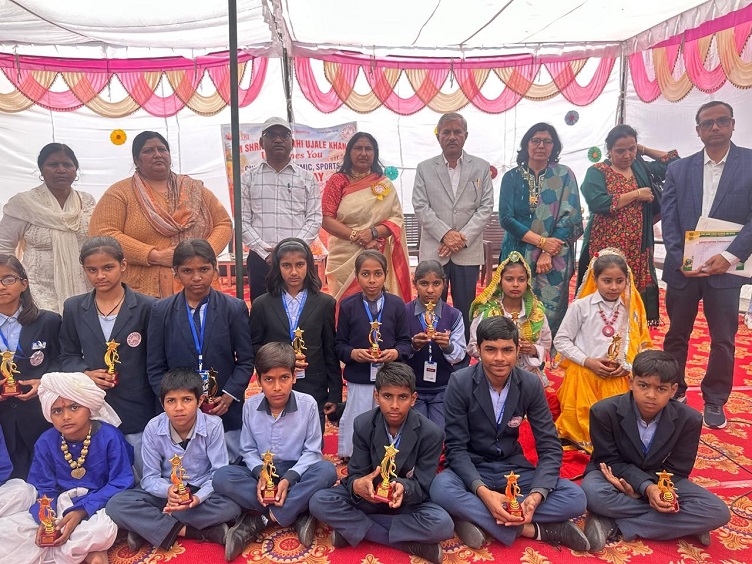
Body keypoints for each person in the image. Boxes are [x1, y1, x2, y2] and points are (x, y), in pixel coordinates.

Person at [430, 316, 589, 551]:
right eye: (490, 350)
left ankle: (474, 517)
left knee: (575, 498)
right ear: (478, 350)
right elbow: (456, 447)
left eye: (507, 350)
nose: (499, 358)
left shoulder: (530, 384)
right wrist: (483, 492)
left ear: (517, 350)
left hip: (513, 469)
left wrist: (536, 495)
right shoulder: (460, 382)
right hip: (474, 467)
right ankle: (534, 530)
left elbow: (549, 445)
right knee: (441, 489)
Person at [581, 350, 730, 551]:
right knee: (592, 493)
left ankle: (614, 523)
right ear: (631, 382)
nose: (651, 395)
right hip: (613, 475)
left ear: (673, 390)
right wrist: (646, 489)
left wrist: (649, 489)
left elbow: (678, 470)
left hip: (662, 479)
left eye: (661, 389)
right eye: (643, 386)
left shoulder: (689, 419)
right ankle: (682, 522)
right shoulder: (603, 411)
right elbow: (609, 460)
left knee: (717, 511)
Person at [661, 100, 752, 428]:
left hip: (726, 270)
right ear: (698, 130)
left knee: (723, 339)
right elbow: (669, 218)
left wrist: (729, 256)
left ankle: (715, 399)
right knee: (676, 334)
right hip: (683, 271)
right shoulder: (679, 169)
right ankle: (673, 389)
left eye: (722, 121)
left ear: (732, 125)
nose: (715, 127)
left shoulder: (750, 164)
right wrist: (678, 259)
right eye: (708, 123)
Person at [309, 362, 453, 564]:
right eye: (387, 396)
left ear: (413, 399)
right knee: (319, 501)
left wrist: (403, 488)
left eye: (402, 397)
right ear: (377, 396)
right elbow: (355, 473)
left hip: (404, 502)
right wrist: (358, 485)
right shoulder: (363, 424)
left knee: (443, 524)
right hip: (369, 499)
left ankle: (354, 530)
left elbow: (423, 486)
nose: (394, 405)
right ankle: (408, 544)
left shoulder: (431, 433)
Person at [106, 368, 247, 561]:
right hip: (167, 493)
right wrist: (168, 491)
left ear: (200, 401)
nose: (179, 407)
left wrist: (197, 498)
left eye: (186, 399)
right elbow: (149, 477)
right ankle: (197, 532)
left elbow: (218, 473)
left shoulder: (213, 425)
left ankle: (148, 526)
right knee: (116, 505)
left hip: (200, 491)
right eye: (171, 401)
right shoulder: (153, 428)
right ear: (162, 403)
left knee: (231, 507)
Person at [212, 343, 338, 549]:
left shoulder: (308, 405)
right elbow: (248, 449)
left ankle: (262, 520)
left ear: (294, 377)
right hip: (263, 474)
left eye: (284, 378)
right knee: (221, 477)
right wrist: (260, 474)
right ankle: (297, 510)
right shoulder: (250, 406)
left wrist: (288, 479)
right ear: (258, 380)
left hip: (297, 473)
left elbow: (313, 452)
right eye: (269, 379)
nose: (277, 387)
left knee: (327, 471)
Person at [0, 372, 134, 564]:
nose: (66, 416)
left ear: (89, 407)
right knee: (7, 531)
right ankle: (86, 553)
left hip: (98, 505)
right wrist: (46, 518)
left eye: (74, 407)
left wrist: (81, 511)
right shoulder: (46, 442)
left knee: (99, 530)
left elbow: (121, 482)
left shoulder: (110, 437)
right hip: (60, 504)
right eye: (57, 411)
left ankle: (79, 551)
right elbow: (44, 487)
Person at [89, 131, 232, 299]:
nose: (157, 154)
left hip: (197, 282)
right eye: (148, 151)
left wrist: (201, 255)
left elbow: (223, 223)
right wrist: (154, 256)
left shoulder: (194, 189)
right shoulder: (120, 192)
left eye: (162, 149)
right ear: (136, 160)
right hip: (143, 292)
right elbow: (102, 232)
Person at [146, 239, 254, 461]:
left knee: (227, 466)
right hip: (180, 412)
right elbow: (155, 366)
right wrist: (173, 401)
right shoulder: (161, 311)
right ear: (176, 273)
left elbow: (245, 360)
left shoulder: (233, 308)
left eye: (203, 269)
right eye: (187, 271)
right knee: (183, 469)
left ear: (215, 269)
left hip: (222, 406)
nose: (196, 277)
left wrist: (230, 395)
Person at [60, 237, 157, 477]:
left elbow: (157, 359)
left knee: (143, 474)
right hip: (95, 407)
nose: (100, 276)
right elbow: (67, 355)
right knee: (102, 474)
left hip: (137, 407)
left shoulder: (148, 307)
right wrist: (85, 373)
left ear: (123, 265)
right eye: (92, 270)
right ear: (84, 270)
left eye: (108, 267)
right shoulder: (74, 307)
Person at [578, 125, 679, 325]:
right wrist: (636, 194)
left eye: (631, 149)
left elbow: (674, 163)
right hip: (606, 245)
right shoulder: (598, 171)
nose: (627, 155)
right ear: (609, 149)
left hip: (637, 245)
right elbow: (598, 202)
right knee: (605, 288)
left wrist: (644, 150)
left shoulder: (640, 167)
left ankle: (630, 334)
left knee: (631, 292)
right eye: (620, 150)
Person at [554, 250, 652, 452]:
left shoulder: (631, 309)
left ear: (627, 281)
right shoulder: (581, 307)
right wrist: (588, 361)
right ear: (595, 279)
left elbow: (641, 345)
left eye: (619, 281)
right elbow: (561, 340)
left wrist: (629, 366)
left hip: (617, 377)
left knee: (618, 427)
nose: (614, 287)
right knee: (582, 424)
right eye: (607, 281)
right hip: (583, 376)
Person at [413, 113, 494, 340]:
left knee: (466, 307)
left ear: (465, 136)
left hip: (467, 251)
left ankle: (463, 352)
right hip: (435, 249)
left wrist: (461, 238)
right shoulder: (424, 168)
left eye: (457, 132)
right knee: (431, 304)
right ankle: (431, 349)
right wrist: (445, 235)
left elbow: (486, 207)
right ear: (438, 136)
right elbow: (420, 206)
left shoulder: (481, 167)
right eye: (446, 132)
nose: (452, 137)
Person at [498, 123, 583, 338]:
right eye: (535, 140)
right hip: (517, 251)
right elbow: (506, 219)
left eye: (547, 141)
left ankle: (544, 350)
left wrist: (547, 251)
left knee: (548, 310)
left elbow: (570, 218)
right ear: (526, 144)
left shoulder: (564, 175)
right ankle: (511, 346)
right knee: (513, 302)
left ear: (554, 146)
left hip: (554, 255)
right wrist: (542, 242)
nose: (541, 146)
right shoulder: (512, 177)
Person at [249, 238, 341, 433]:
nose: (293, 272)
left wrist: (334, 394)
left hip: (314, 384)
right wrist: (278, 358)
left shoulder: (325, 303)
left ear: (309, 265)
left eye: (299, 265)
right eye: (286, 265)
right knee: (278, 438)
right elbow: (254, 347)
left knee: (311, 438)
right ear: (277, 267)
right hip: (276, 385)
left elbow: (330, 351)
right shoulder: (262, 305)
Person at [0, 143, 95, 313]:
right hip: (37, 292)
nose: (61, 170)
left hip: (84, 288)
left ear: (75, 170)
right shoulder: (24, 204)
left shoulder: (87, 202)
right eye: (53, 164)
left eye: (67, 164)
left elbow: (97, 242)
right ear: (41, 170)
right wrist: (14, 280)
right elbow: (3, 246)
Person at [335, 250, 412, 460]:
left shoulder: (396, 304)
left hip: (389, 377)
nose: (372, 280)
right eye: (365, 274)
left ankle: (386, 456)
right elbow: (339, 344)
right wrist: (353, 353)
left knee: (388, 418)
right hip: (359, 376)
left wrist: (395, 352)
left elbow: (405, 342)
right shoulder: (348, 306)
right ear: (357, 275)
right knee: (358, 416)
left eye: (377, 274)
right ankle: (353, 454)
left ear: (385, 275)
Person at [322, 132, 411, 302]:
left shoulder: (384, 183)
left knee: (375, 299)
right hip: (343, 255)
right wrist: (358, 237)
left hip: (376, 250)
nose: (363, 153)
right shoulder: (337, 181)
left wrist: (372, 233)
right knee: (344, 304)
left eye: (368, 149)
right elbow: (326, 219)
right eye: (358, 148)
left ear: (375, 154)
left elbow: (396, 219)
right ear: (349, 152)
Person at [241, 117, 322, 302]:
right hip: (261, 260)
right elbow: (242, 221)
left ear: (292, 142)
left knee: (302, 312)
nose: (278, 140)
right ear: (261, 142)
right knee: (262, 310)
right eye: (271, 135)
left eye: (284, 135)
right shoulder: (247, 179)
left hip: (298, 261)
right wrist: (265, 253)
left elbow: (314, 219)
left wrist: (291, 251)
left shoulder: (307, 179)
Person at [0, 254, 61, 479]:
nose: (1, 286)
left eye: (8, 279)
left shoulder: (49, 321)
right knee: (12, 485)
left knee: (47, 480)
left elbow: (63, 361)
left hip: (41, 415)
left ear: (24, 283)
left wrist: (45, 382)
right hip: (3, 422)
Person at [468, 251, 552, 385]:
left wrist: (532, 349)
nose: (515, 284)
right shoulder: (488, 312)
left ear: (528, 282)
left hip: (527, 373)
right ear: (500, 282)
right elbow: (473, 346)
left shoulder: (536, 312)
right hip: (493, 374)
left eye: (521, 280)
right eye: (509, 279)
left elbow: (546, 344)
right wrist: (497, 350)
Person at [403, 260, 466, 428]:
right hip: (411, 388)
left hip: (442, 388)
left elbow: (460, 354)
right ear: (415, 283)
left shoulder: (454, 315)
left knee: (439, 433)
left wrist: (448, 346)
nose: (430, 290)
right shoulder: (403, 313)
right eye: (424, 283)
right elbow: (396, 349)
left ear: (444, 284)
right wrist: (412, 346)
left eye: (436, 284)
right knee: (416, 430)